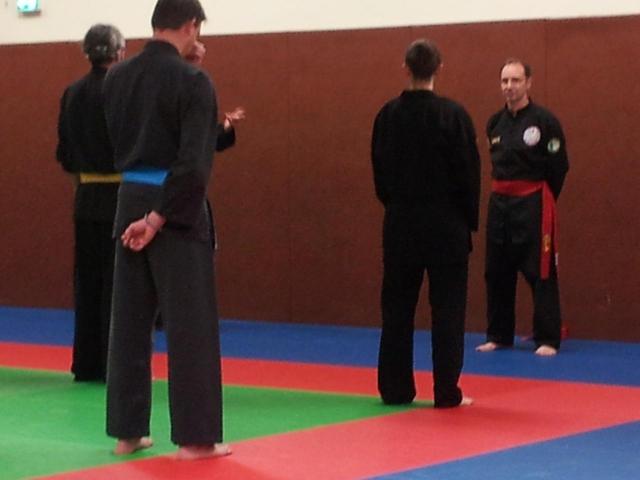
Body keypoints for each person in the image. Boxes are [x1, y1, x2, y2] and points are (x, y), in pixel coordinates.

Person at [102, 0, 230, 459]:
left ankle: (127, 432)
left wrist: (143, 214)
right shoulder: (194, 81)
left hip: (128, 199)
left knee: (129, 321)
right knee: (190, 325)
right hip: (174, 210)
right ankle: (196, 439)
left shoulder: (117, 77)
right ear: (191, 26)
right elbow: (193, 164)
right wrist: (159, 218)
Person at [371, 39, 480, 408]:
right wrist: (466, 220)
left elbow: (380, 174)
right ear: (439, 68)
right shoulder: (454, 116)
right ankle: (446, 390)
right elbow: (469, 174)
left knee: (397, 307)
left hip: (401, 223)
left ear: (406, 68)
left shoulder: (387, 116)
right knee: (448, 308)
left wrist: (397, 205)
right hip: (447, 224)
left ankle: (395, 388)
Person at [476, 59, 569, 356]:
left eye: (515, 80)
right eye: (505, 81)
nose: (509, 86)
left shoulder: (545, 122)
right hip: (500, 204)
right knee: (496, 270)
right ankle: (499, 335)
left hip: (533, 203)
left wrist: (540, 198)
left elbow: (559, 167)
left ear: (528, 83)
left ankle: (548, 338)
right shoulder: (494, 123)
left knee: (540, 270)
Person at [56, 24, 125, 382]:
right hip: (122, 198)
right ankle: (115, 362)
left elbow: (64, 154)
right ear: (119, 52)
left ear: (87, 53)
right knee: (119, 284)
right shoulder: (124, 91)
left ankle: (85, 363)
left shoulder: (72, 93)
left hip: (85, 198)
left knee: (87, 282)